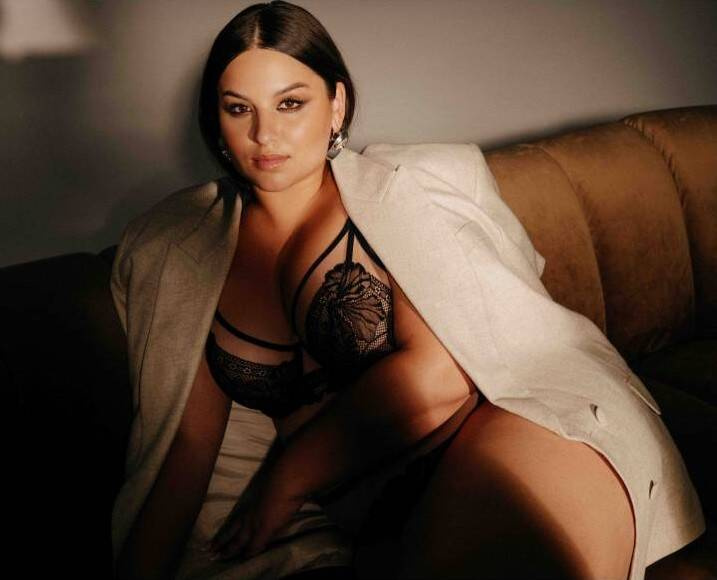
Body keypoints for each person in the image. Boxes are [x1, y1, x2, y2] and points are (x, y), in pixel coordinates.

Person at [110, 2, 705, 579]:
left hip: (512, 432)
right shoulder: (193, 252)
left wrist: (286, 478)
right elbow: (186, 449)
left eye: (290, 103)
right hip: (367, 515)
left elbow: (438, 380)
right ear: (216, 120)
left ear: (336, 105)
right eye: (239, 108)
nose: (266, 133)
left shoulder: (400, 195)